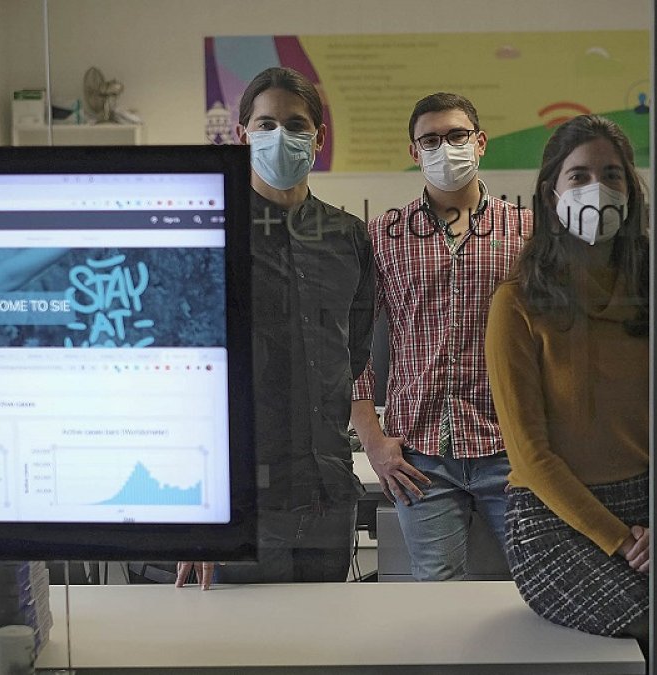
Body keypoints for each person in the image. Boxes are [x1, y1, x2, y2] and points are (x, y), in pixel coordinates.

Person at [486, 114, 657, 673]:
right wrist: (625, 542)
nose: (597, 190)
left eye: (612, 174)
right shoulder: (516, 302)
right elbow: (531, 459)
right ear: (549, 193)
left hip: (650, 517)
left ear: (632, 191)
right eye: (578, 175)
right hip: (556, 525)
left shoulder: (652, 291)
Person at [173, 67, 375, 588]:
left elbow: (351, 354)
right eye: (265, 125)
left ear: (318, 138)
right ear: (243, 136)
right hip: (245, 501)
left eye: (295, 123)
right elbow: (184, 378)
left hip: (328, 491)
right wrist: (199, 515)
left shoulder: (348, 236)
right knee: (250, 654)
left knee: (327, 651)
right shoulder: (212, 231)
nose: (280, 136)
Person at [349, 92, 532, 581]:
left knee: (539, 586)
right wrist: (372, 441)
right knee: (437, 592)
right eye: (430, 139)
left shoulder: (527, 232)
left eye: (456, 136)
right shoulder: (384, 235)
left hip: (508, 448)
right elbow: (353, 345)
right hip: (419, 454)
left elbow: (554, 344)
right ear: (414, 152)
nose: (445, 148)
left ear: (481, 143)